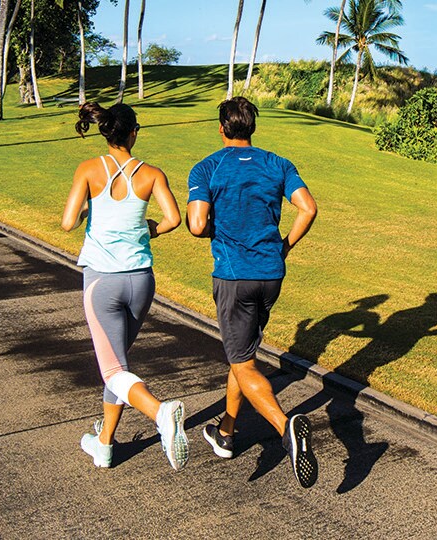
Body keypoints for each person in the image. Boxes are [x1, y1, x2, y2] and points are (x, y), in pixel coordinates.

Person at [186, 97, 321, 488]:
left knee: (243, 362)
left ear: (222, 128)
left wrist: (215, 228)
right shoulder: (278, 164)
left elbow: (196, 225)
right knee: (242, 352)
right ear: (252, 128)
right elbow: (308, 208)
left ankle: (286, 429)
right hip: (271, 274)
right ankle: (226, 432)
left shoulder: (207, 167)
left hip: (234, 276)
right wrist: (285, 246)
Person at [62, 102, 188, 470]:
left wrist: (89, 208)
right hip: (141, 281)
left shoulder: (88, 169)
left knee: (114, 370)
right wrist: (149, 229)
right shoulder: (151, 174)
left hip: (102, 282)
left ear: (106, 132)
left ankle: (161, 413)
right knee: (118, 365)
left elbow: (68, 222)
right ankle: (104, 443)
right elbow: (172, 219)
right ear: (133, 132)